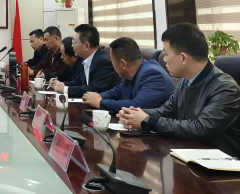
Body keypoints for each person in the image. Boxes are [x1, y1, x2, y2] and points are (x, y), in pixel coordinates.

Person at [118, 23, 240, 157]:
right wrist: (134, 114)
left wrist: (147, 121)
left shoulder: (225, 87)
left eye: (166, 54)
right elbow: (166, 111)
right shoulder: (185, 81)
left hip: (219, 165)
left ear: (183, 58)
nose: (164, 59)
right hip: (189, 154)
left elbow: (201, 129)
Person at [82, 37, 175, 112]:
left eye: (112, 61)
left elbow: (136, 106)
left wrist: (100, 102)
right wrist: (96, 97)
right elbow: (117, 91)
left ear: (123, 63)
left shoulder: (153, 74)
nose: (112, 64)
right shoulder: (130, 73)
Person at [50, 24, 120, 97]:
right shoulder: (86, 59)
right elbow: (79, 81)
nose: (72, 46)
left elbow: (94, 89)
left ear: (87, 46)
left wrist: (65, 89)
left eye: (74, 43)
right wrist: (59, 84)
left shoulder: (104, 62)